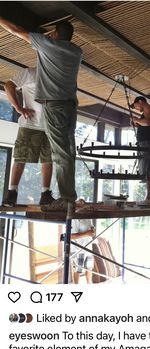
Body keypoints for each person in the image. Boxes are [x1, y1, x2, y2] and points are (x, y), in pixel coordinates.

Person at [0, 17, 83, 212]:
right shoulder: (77, 51)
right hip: (70, 106)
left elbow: (16, 29)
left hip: (54, 107)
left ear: (55, 34)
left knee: (60, 154)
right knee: (67, 151)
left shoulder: (49, 45)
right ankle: (67, 196)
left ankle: (66, 198)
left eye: (52, 33)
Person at [3, 67, 54, 206]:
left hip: (50, 126)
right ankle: (11, 195)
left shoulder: (57, 76)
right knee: (20, 158)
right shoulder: (30, 73)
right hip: (30, 124)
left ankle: (46, 195)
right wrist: (18, 108)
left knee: (48, 160)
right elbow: (8, 85)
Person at [131, 96, 150, 206]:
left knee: (149, 170)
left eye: (136, 106)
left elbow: (147, 123)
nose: (136, 109)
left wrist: (137, 120)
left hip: (148, 144)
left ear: (141, 101)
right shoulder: (146, 112)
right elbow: (145, 124)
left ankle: (149, 199)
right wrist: (137, 124)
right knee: (145, 171)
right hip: (144, 144)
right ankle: (148, 198)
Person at [70, 218, 95, 284]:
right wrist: (87, 233)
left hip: (89, 248)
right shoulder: (75, 219)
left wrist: (93, 231)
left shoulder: (89, 217)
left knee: (89, 269)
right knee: (78, 271)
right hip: (78, 249)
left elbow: (92, 228)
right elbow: (71, 236)